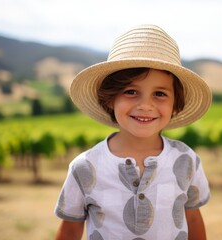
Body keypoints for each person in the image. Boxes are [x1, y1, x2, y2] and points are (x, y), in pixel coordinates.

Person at [54, 24, 212, 240]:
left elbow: (193, 218)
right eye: (131, 91)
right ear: (110, 99)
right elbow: (71, 229)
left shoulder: (186, 160)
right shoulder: (84, 167)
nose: (145, 105)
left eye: (159, 94)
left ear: (175, 103)